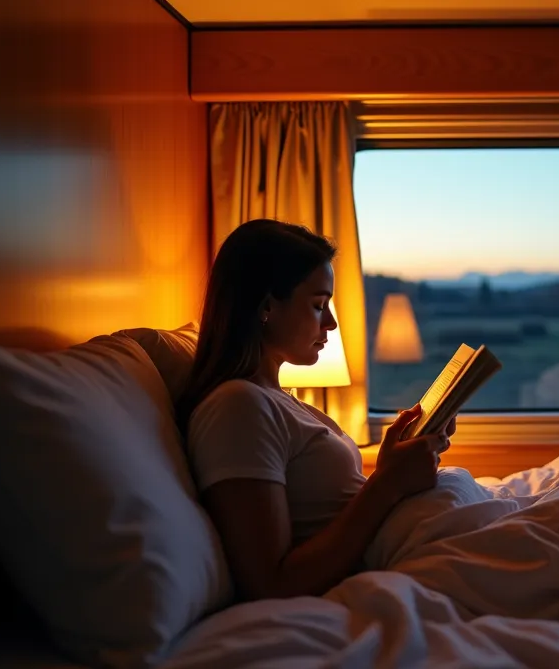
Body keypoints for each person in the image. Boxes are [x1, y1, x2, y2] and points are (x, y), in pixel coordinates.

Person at [176, 219, 454, 601]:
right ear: (267, 307)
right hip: (418, 557)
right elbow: (271, 582)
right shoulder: (237, 408)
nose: (332, 323)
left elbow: (336, 509)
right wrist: (389, 484)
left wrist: (392, 462)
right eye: (318, 305)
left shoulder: (276, 399)